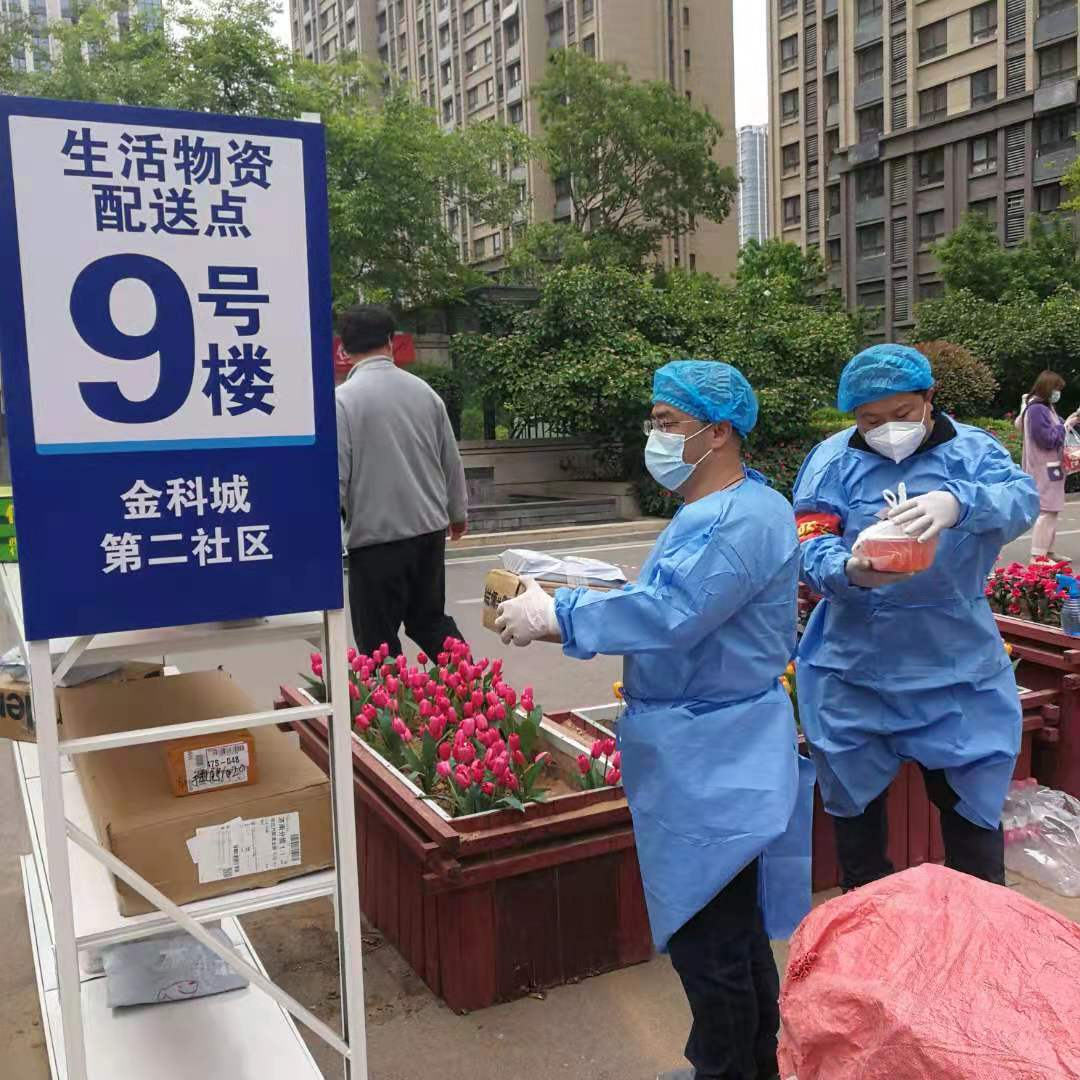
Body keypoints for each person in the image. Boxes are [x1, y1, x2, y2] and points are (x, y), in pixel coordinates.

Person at [496, 360, 812, 1080]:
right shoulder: (733, 507)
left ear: (719, 432)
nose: (655, 435)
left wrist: (560, 613)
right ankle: (743, 1065)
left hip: (713, 752)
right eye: (655, 421)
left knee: (711, 939)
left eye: (669, 422)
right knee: (728, 929)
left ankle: (730, 1071)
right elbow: (675, 596)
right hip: (713, 743)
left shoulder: (734, 519)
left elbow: (671, 612)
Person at [793, 344, 1039, 894]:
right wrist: (847, 570)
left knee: (974, 838)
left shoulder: (973, 452)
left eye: (901, 413)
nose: (886, 429)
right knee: (859, 849)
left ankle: (978, 939)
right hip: (853, 671)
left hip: (956, 671)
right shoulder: (831, 461)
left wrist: (959, 503)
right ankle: (870, 933)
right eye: (869, 420)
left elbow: (1021, 498)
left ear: (930, 398)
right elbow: (809, 537)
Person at [335, 304, 468, 658]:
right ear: (391, 341)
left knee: (377, 644)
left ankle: (393, 698)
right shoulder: (425, 393)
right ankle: (475, 687)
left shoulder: (342, 402)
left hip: (376, 542)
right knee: (430, 621)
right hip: (428, 534)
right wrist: (457, 514)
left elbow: (337, 477)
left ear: (344, 350)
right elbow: (450, 460)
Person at [1013, 370, 1080, 561]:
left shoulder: (1043, 408)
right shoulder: (1037, 409)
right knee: (1047, 511)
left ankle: (1047, 552)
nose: (1058, 393)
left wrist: (1070, 420)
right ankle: (1038, 557)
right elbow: (1047, 439)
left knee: (1052, 509)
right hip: (1044, 468)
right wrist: (1066, 425)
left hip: (1051, 467)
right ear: (1048, 388)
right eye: (1057, 389)